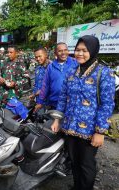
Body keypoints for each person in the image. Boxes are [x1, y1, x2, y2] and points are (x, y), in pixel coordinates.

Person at [51, 35, 115, 190]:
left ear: (92, 51)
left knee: (86, 164)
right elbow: (63, 98)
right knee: (74, 162)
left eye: (84, 50)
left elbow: (107, 104)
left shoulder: (103, 73)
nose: (80, 53)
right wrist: (57, 120)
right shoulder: (71, 72)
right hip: (69, 127)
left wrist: (100, 132)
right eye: (77, 50)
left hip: (90, 130)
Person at [35, 42, 78, 111]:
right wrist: (40, 102)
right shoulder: (51, 67)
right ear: (55, 53)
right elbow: (45, 85)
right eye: (60, 51)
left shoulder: (75, 63)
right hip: (55, 103)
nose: (63, 53)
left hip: (71, 103)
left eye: (65, 50)